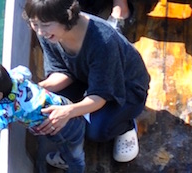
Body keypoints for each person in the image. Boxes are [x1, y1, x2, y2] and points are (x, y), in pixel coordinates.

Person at [24, 0, 151, 164]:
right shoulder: (48, 33)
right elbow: (62, 72)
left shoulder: (103, 42)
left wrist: (69, 111)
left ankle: (125, 125)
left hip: (124, 89)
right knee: (47, 101)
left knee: (96, 131)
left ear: (67, 17)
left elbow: (99, 96)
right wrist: (36, 88)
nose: (41, 32)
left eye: (46, 25)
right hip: (84, 77)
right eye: (35, 24)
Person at [0, 61, 87, 173]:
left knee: (75, 157)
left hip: (65, 130)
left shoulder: (6, 110)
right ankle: (65, 157)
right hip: (63, 105)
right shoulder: (15, 77)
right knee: (68, 149)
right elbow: (25, 70)